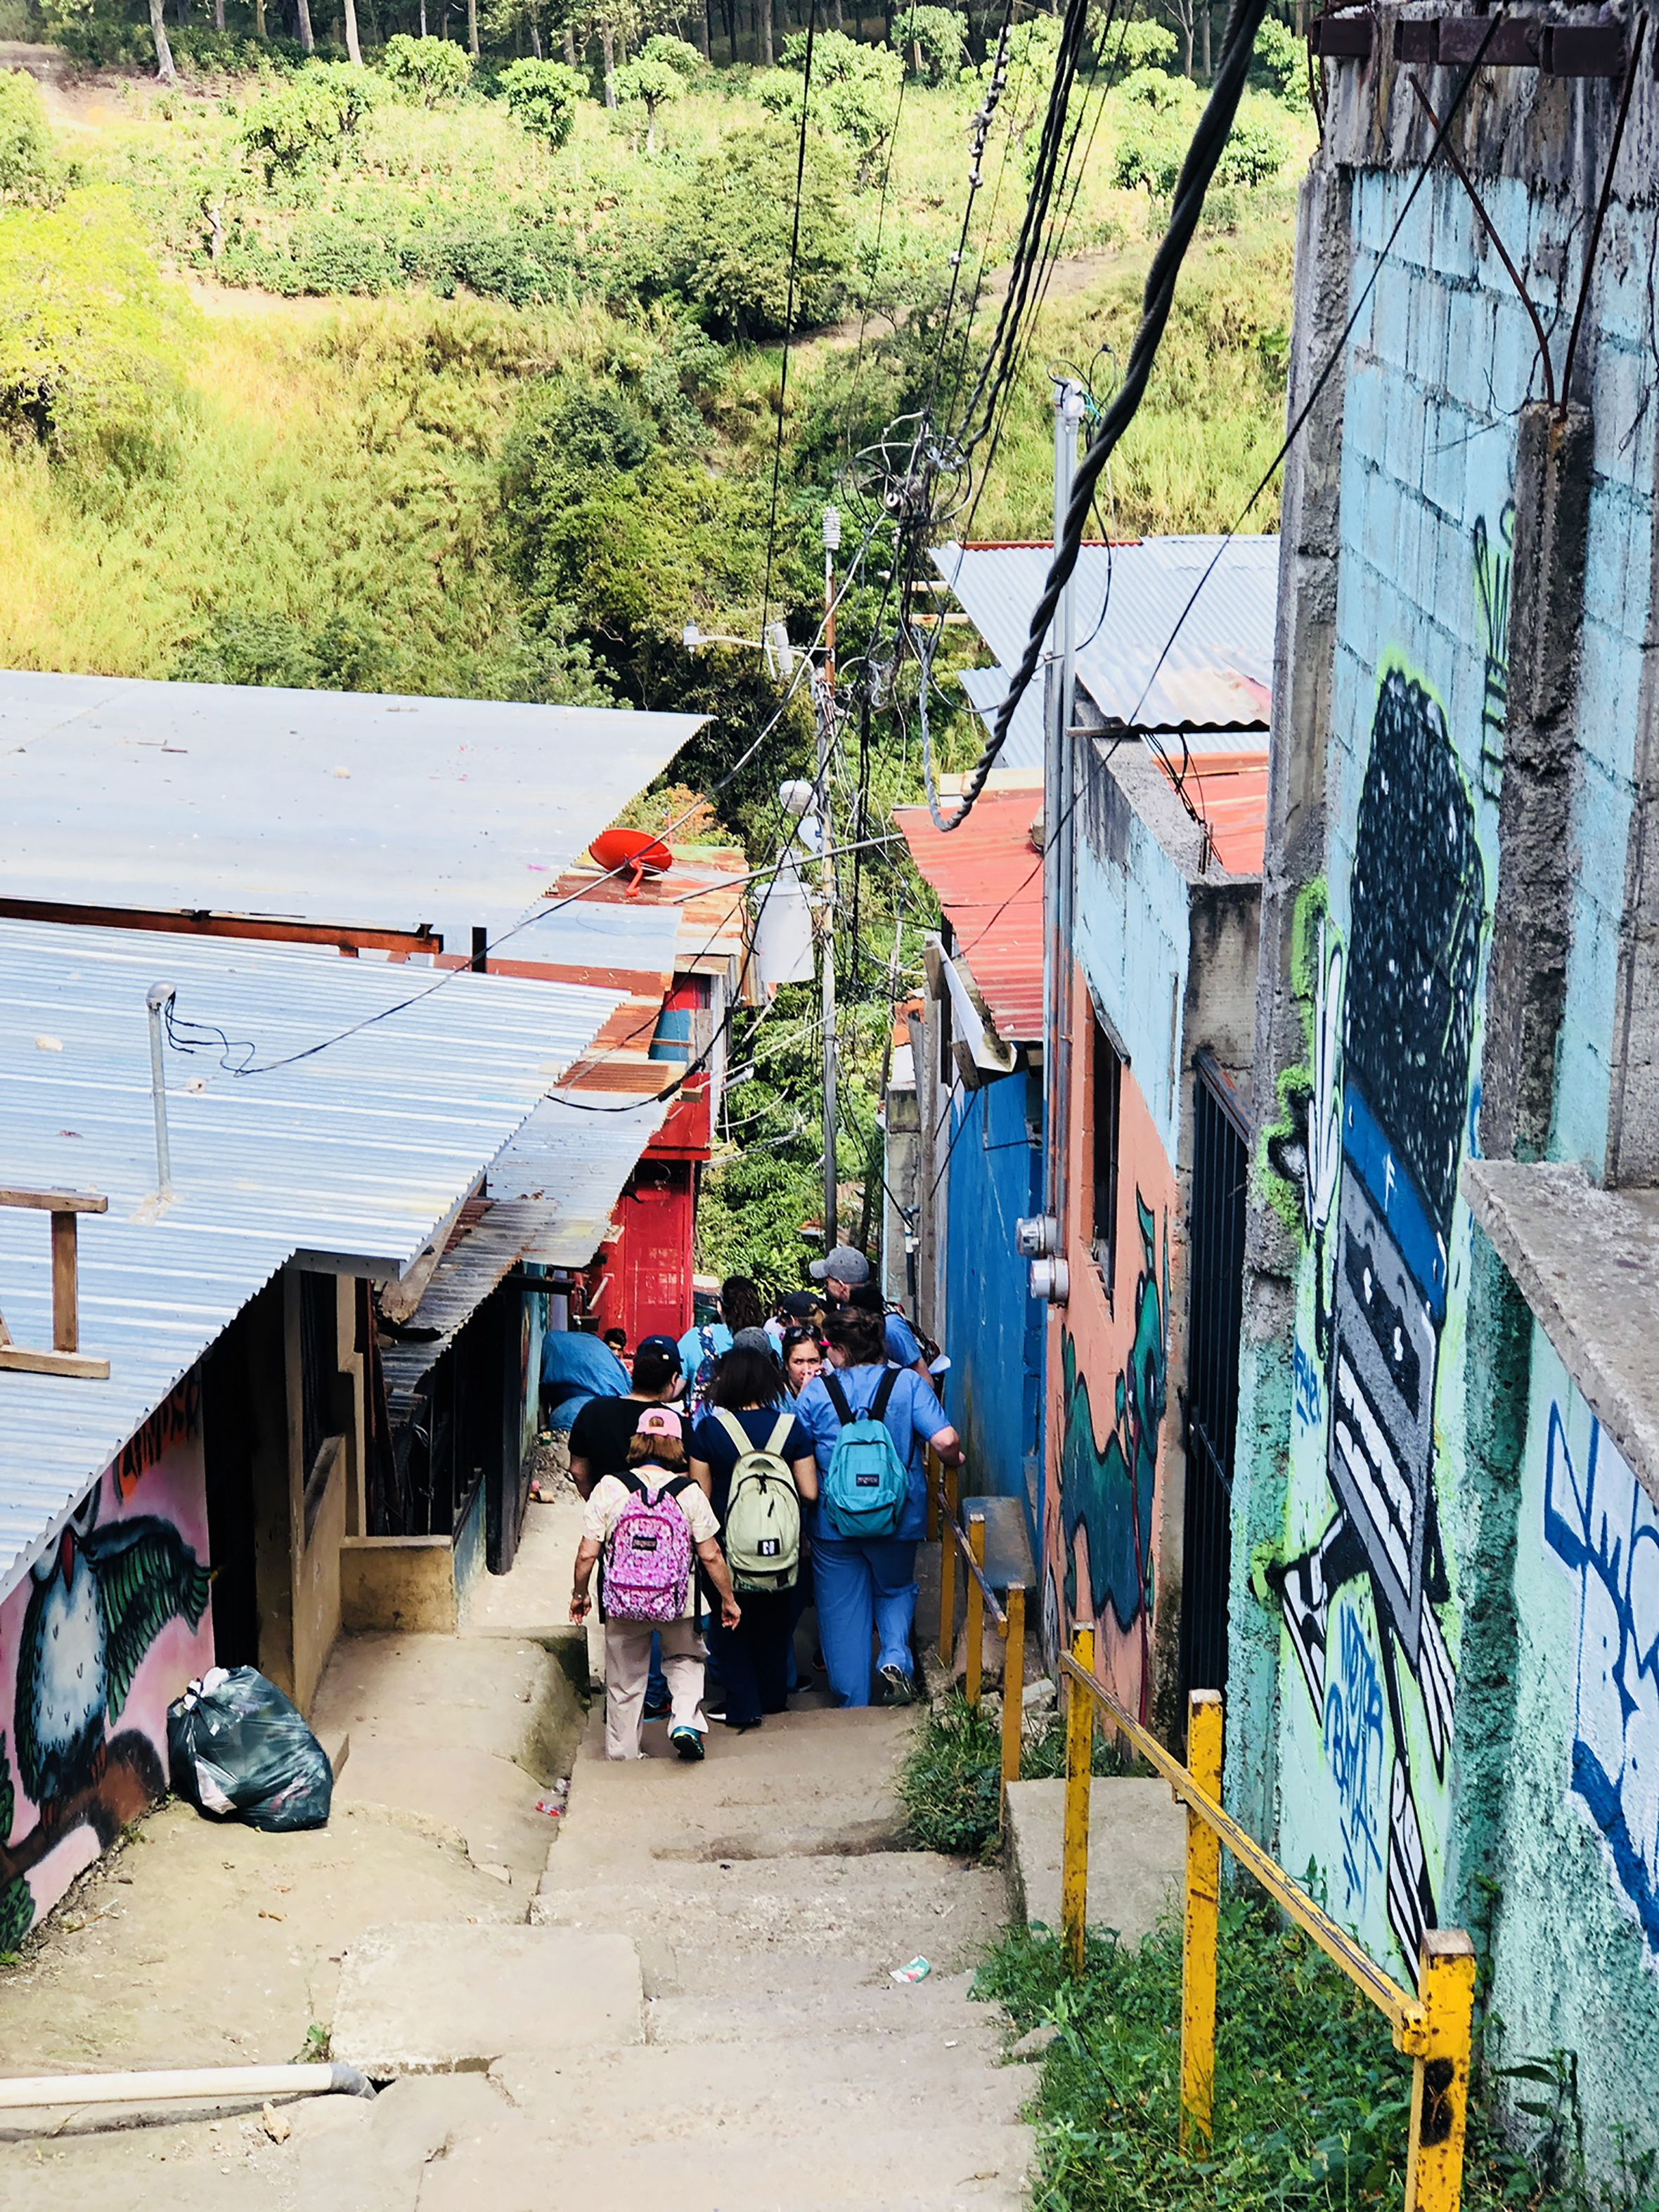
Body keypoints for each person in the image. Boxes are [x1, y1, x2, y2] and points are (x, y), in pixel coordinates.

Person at [794, 1302, 961, 1709]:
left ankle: (855, 1706)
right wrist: (954, 1462)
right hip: (897, 1516)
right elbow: (945, 1441)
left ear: (837, 1350)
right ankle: (894, 1656)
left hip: (833, 1523)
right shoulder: (907, 1384)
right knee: (895, 1588)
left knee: (840, 1614)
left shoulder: (817, 1391)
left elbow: (794, 1446)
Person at [569, 1407, 740, 1762]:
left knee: (624, 1681)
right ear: (676, 1445)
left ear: (638, 1440)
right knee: (686, 1659)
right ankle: (684, 1721)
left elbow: (587, 1553)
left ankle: (623, 1756)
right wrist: (728, 1598)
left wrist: (580, 1594)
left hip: (623, 1601)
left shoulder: (610, 1488)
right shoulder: (689, 1492)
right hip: (679, 1601)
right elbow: (711, 1555)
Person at [688, 1347, 818, 1731]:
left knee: (731, 1627)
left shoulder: (710, 1430)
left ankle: (744, 1706)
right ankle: (774, 1701)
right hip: (783, 1550)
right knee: (776, 1629)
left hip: (729, 1549)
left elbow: (701, 1496)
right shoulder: (791, 1427)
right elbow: (809, 1491)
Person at [567, 1335, 683, 1499]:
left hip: (606, 1514)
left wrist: (597, 1504)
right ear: (673, 1379)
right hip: (663, 1522)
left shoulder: (592, 1411)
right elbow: (684, 1479)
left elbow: (578, 1470)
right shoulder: (676, 1424)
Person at [808, 1246, 931, 1378]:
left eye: (827, 1282)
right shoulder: (847, 1313)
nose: (826, 1287)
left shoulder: (890, 1327)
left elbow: (924, 1379)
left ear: (842, 1286)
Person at [677, 1275, 766, 1414]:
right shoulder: (770, 1343)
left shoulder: (695, 1338)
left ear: (719, 1306)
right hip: (758, 1430)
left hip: (705, 1430)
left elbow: (672, 1388)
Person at [779, 1326, 824, 1398]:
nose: (806, 1370)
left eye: (813, 1361)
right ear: (786, 1364)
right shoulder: (776, 1400)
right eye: (798, 1362)